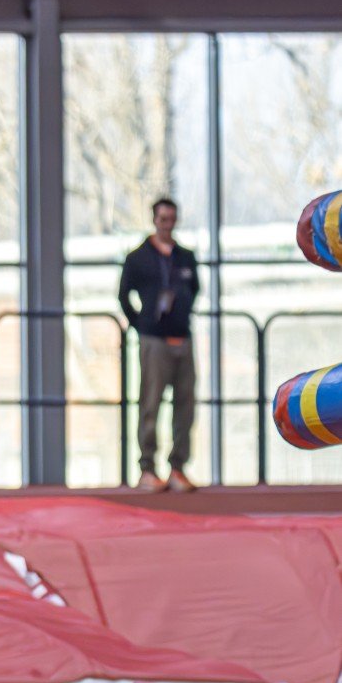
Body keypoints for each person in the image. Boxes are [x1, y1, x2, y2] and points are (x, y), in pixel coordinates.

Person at [120, 197, 200, 492]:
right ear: (154, 220)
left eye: (172, 219)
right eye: (163, 219)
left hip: (183, 339)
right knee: (150, 404)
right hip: (154, 342)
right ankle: (148, 469)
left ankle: (178, 467)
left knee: (185, 405)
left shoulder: (185, 257)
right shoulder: (138, 258)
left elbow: (194, 290)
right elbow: (123, 296)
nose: (168, 225)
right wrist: (141, 326)